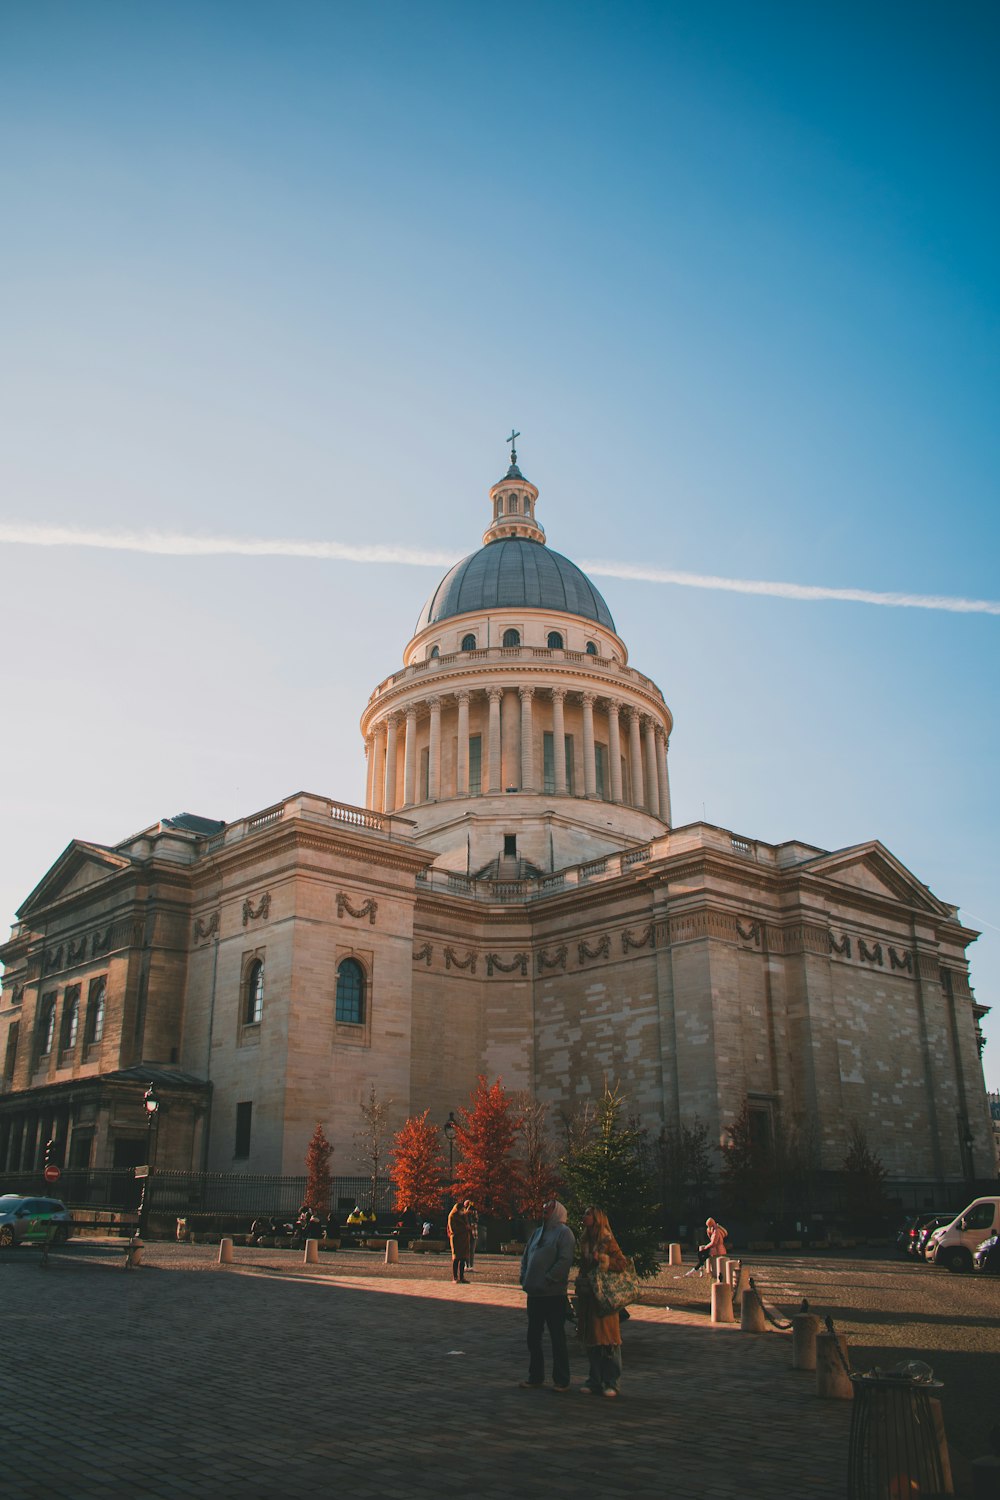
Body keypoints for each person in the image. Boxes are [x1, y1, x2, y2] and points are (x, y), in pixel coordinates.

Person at [519, 1198, 575, 1391]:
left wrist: (550, 1278)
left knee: (557, 1337)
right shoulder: (537, 1233)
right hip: (534, 1294)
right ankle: (535, 1376)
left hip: (553, 1295)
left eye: (548, 1210)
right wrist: (524, 1277)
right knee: (533, 1337)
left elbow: (565, 1259)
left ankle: (561, 1378)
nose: (544, 1213)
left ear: (557, 1211)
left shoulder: (564, 1233)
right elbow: (527, 1255)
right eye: (543, 1209)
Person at [575, 1207, 627, 1398]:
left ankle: (612, 1381)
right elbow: (584, 1266)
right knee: (592, 1340)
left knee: (609, 1341)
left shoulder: (607, 1239)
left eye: (588, 1214)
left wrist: (604, 1260)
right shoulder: (585, 1240)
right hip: (589, 1296)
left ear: (596, 1218)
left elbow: (621, 1263)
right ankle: (595, 1380)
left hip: (604, 1297)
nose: (584, 1216)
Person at [447, 1200, 471, 1283]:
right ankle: (455, 1277)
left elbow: (467, 1225)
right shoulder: (452, 1216)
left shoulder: (464, 1216)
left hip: (464, 1239)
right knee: (456, 1258)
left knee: (463, 1259)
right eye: (461, 1209)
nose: (462, 1211)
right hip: (456, 1239)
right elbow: (453, 1229)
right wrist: (465, 1228)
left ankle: (461, 1277)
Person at [464, 1201, 479, 1269]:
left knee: (472, 1250)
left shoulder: (474, 1212)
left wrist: (472, 1213)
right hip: (466, 1233)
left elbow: (476, 1220)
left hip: (473, 1233)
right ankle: (467, 1264)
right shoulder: (464, 1213)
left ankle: (471, 1265)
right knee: (467, 1249)